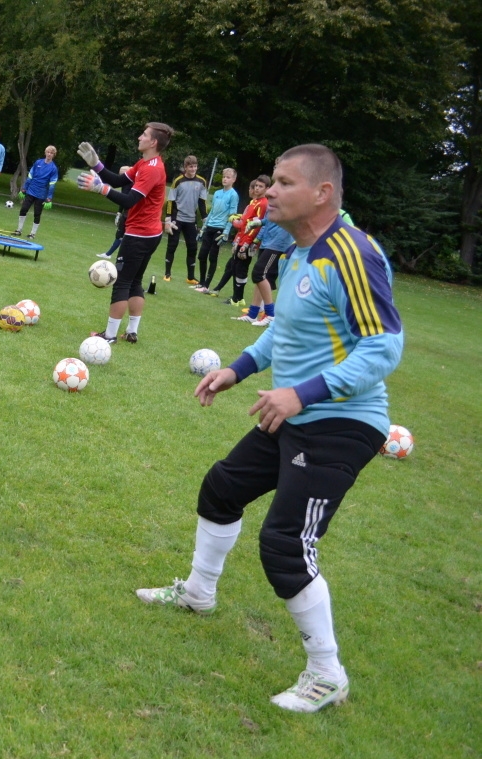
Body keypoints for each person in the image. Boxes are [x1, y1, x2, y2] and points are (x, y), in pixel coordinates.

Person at [136, 144, 403, 714]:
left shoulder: (351, 252)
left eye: (283, 182)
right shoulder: (301, 251)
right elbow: (285, 331)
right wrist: (238, 369)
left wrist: (300, 392)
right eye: (271, 181)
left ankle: (326, 674)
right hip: (293, 413)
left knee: (285, 543)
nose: (270, 191)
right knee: (222, 488)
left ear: (322, 193)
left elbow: (384, 348)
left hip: (342, 422)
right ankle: (199, 593)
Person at [76, 122, 172, 343]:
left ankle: (109, 336)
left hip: (139, 235)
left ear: (153, 142)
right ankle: (131, 332)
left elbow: (129, 200)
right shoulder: (146, 162)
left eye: (144, 135)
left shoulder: (152, 169)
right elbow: (119, 181)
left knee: (121, 282)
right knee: (135, 281)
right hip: (151, 234)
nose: (139, 137)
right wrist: (97, 164)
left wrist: (101, 189)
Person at [210, 176, 268, 303]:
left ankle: (237, 298)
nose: (256, 189)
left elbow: (256, 225)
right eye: (256, 186)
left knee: (240, 269)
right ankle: (237, 297)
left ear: (266, 189)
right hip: (242, 238)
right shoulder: (254, 202)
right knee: (235, 267)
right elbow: (246, 220)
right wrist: (238, 224)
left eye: (260, 186)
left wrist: (248, 242)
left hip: (247, 241)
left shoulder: (263, 203)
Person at [236, 214, 294, 325]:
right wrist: (258, 237)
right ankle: (252, 314)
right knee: (262, 278)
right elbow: (270, 217)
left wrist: (260, 222)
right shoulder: (272, 203)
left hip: (278, 242)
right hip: (267, 241)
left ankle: (270, 314)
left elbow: (287, 215)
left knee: (259, 274)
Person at [162, 155, 208, 284]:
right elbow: (170, 201)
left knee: (192, 248)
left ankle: (190, 277)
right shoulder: (178, 181)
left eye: (195, 166)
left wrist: (205, 218)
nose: (193, 169)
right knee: (172, 245)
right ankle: (167, 274)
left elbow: (202, 202)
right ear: (185, 167)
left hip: (191, 220)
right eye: (190, 166)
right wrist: (168, 218)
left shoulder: (202, 182)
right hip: (177, 219)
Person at [194, 168, 239, 292]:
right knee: (202, 255)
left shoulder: (233, 195)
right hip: (210, 227)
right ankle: (201, 282)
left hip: (220, 229)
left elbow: (232, 216)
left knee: (212, 257)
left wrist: (226, 232)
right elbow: (212, 211)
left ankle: (206, 286)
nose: (225, 179)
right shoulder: (217, 193)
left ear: (234, 180)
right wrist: (203, 228)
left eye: (228, 177)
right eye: (224, 176)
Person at [14, 145, 58, 239]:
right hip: (30, 191)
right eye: (48, 152)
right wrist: (24, 189)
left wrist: (49, 198)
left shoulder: (53, 168)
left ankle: (32, 234)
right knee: (23, 209)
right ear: (45, 152)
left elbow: (52, 184)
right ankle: (19, 230)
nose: (49, 154)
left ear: (54, 155)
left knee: (37, 214)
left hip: (41, 195)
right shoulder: (38, 162)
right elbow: (30, 176)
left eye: (51, 153)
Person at [97, 166, 132, 258]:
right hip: (128, 213)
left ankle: (109, 254)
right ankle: (110, 254)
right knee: (122, 235)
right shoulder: (128, 183)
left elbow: (124, 199)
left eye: (121, 174)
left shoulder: (129, 184)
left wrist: (120, 213)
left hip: (129, 214)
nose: (120, 177)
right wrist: (119, 213)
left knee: (121, 234)